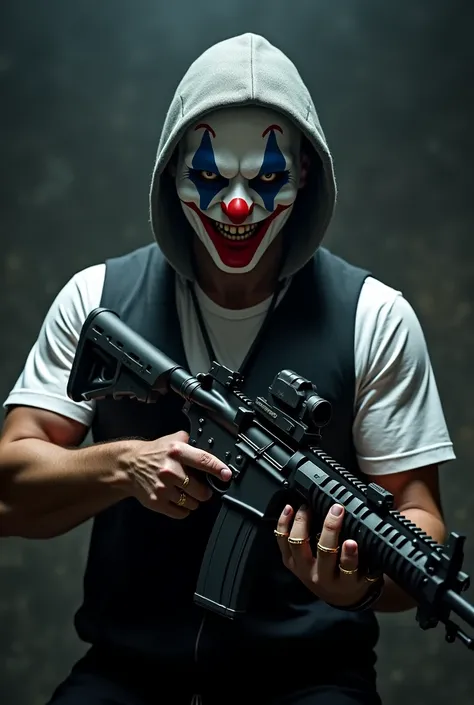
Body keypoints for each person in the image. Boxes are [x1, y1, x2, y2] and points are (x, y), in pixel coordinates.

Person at [0, 33, 454, 705]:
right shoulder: (97, 297)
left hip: (310, 677)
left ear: (303, 172)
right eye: (211, 177)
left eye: (265, 178)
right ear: (173, 169)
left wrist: (352, 583)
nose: (236, 206)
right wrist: (123, 465)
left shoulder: (374, 316)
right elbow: (9, 488)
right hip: (129, 672)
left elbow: (418, 521)